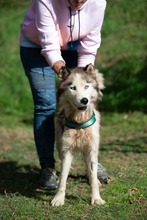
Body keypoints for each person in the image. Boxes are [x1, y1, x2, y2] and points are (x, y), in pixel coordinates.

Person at [20, 0, 108, 190]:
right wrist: (65, 75)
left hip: (75, 48)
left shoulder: (98, 3)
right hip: (37, 47)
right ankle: (47, 167)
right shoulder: (46, 1)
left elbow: (91, 43)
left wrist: (84, 78)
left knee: (82, 101)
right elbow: (49, 45)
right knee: (46, 105)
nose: (78, 2)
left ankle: (91, 160)